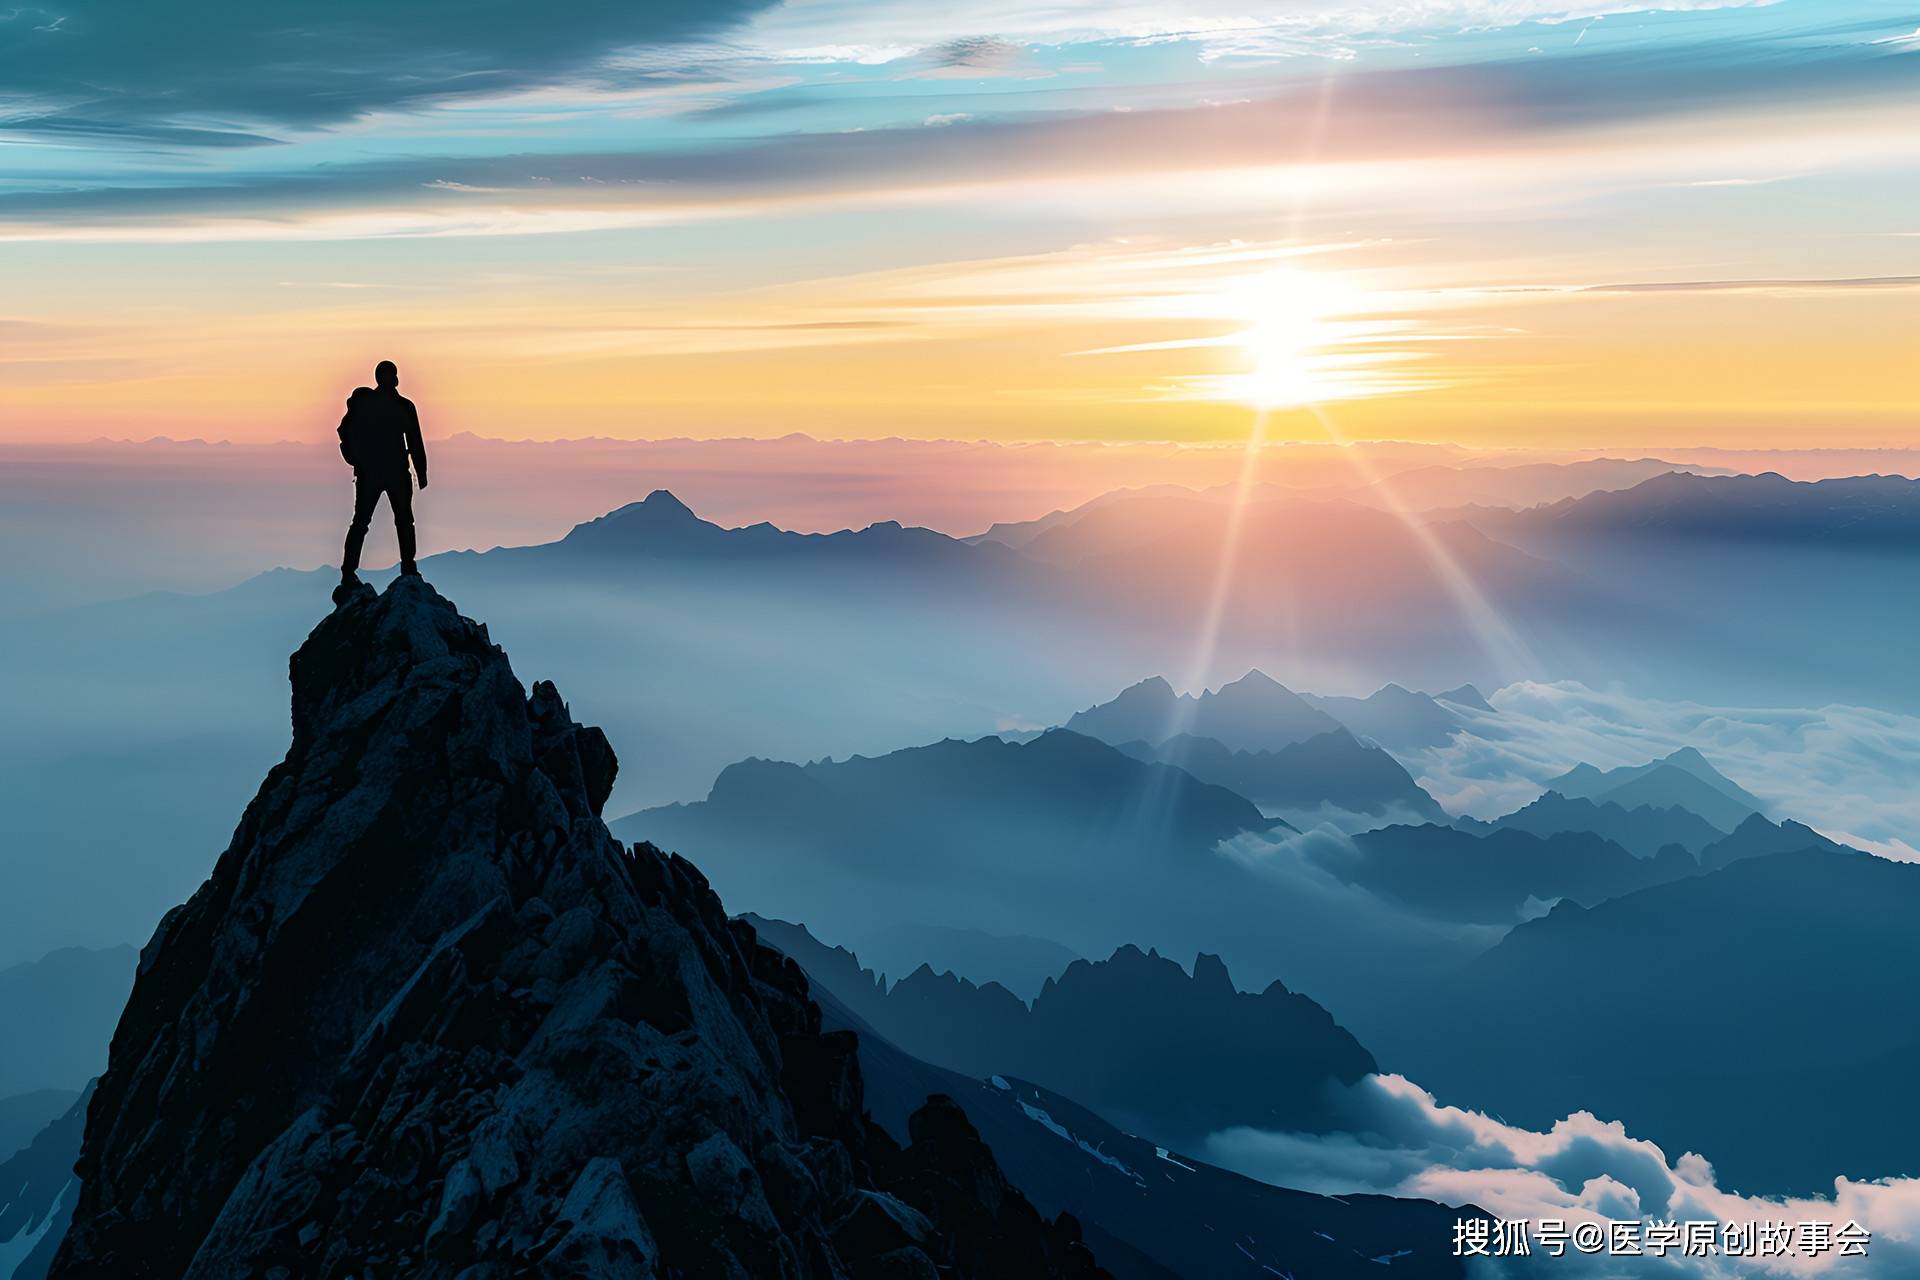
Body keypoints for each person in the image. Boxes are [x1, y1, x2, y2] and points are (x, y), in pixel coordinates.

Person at [337, 360, 428, 585]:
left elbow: (415, 441)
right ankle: (407, 566)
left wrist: (421, 472)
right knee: (400, 520)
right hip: (390, 472)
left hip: (374, 473)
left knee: (364, 522)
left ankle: (349, 572)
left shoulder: (371, 404)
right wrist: (421, 473)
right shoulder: (402, 406)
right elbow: (415, 442)